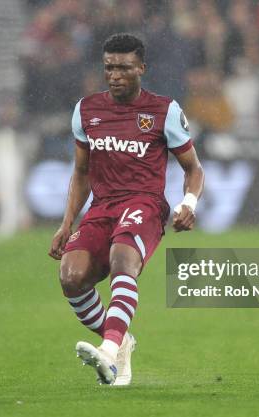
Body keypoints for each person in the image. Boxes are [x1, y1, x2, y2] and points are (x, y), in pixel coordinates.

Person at [48, 34, 204, 385]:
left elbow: (193, 168)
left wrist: (188, 203)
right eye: (109, 68)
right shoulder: (86, 110)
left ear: (142, 69)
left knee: (123, 258)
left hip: (145, 204)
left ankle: (107, 349)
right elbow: (82, 171)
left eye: (123, 68)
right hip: (102, 207)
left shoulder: (164, 110)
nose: (115, 75)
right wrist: (66, 223)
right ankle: (121, 342)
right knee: (71, 277)